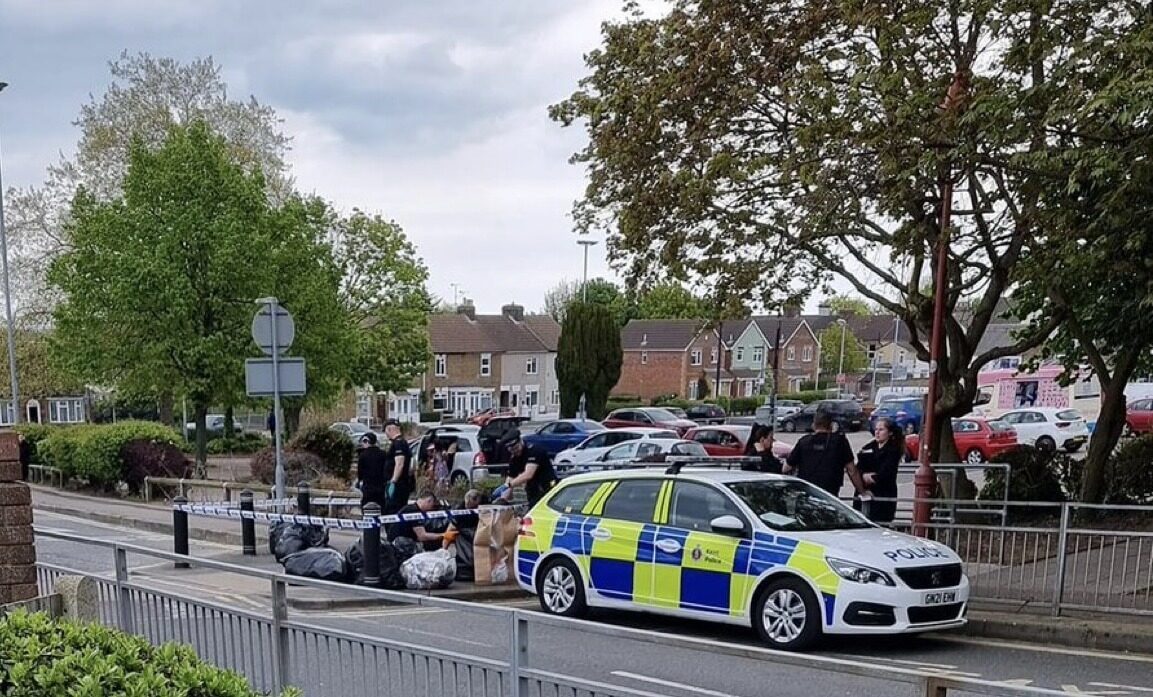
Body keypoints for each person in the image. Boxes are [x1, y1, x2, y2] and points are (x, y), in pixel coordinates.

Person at [785, 410, 869, 498]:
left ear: (813, 425)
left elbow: (786, 467)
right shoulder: (840, 442)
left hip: (807, 495)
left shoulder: (803, 442)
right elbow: (852, 471)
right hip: (830, 496)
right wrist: (862, 492)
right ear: (831, 426)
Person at [854, 417, 904, 523]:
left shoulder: (893, 450)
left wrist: (872, 477)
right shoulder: (868, 447)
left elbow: (886, 473)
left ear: (889, 433)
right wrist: (863, 476)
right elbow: (858, 468)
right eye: (876, 429)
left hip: (883, 494)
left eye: (881, 430)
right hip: (863, 492)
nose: (877, 432)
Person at [498, 429, 557, 507]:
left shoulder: (534, 451)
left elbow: (528, 474)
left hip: (547, 488)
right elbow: (511, 477)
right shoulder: (514, 458)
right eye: (512, 450)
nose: (515, 452)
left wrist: (508, 485)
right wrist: (502, 499)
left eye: (516, 448)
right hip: (533, 491)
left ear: (520, 441)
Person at [382, 419, 414, 514]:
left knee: (393, 510)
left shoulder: (398, 443)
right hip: (401, 484)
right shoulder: (402, 443)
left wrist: (393, 481)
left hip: (398, 485)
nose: (386, 435)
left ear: (390, 429)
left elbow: (399, 463)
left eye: (386, 431)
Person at [356, 432, 388, 509]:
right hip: (380, 486)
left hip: (368, 487)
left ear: (366, 441)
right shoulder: (383, 454)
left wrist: (360, 480)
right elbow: (386, 469)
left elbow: (360, 472)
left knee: (366, 507)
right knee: (381, 507)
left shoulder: (363, 455)